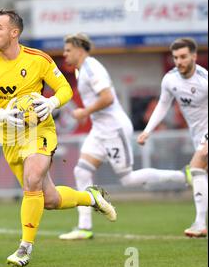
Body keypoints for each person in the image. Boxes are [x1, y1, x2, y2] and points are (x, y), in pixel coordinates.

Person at [0, 10, 116, 267]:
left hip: (40, 131)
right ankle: (91, 198)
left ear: (14, 33)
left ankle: (24, 248)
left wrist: (50, 102)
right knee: (48, 199)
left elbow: (64, 89)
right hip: (10, 138)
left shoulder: (38, 59)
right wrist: (1, 114)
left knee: (32, 179)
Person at [58, 33, 188, 240]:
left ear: (79, 49)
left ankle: (183, 176)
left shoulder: (92, 67)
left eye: (68, 50)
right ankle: (84, 227)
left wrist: (84, 112)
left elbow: (108, 98)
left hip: (113, 128)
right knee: (81, 171)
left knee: (127, 179)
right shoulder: (80, 70)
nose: (64, 54)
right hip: (100, 130)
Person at [138, 37, 208, 238]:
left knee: (195, 169)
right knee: (201, 175)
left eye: (184, 57)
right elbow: (163, 104)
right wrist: (148, 130)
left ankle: (199, 224)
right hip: (197, 137)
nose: (179, 61)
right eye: (176, 57)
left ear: (194, 56)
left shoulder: (204, 80)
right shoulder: (170, 79)